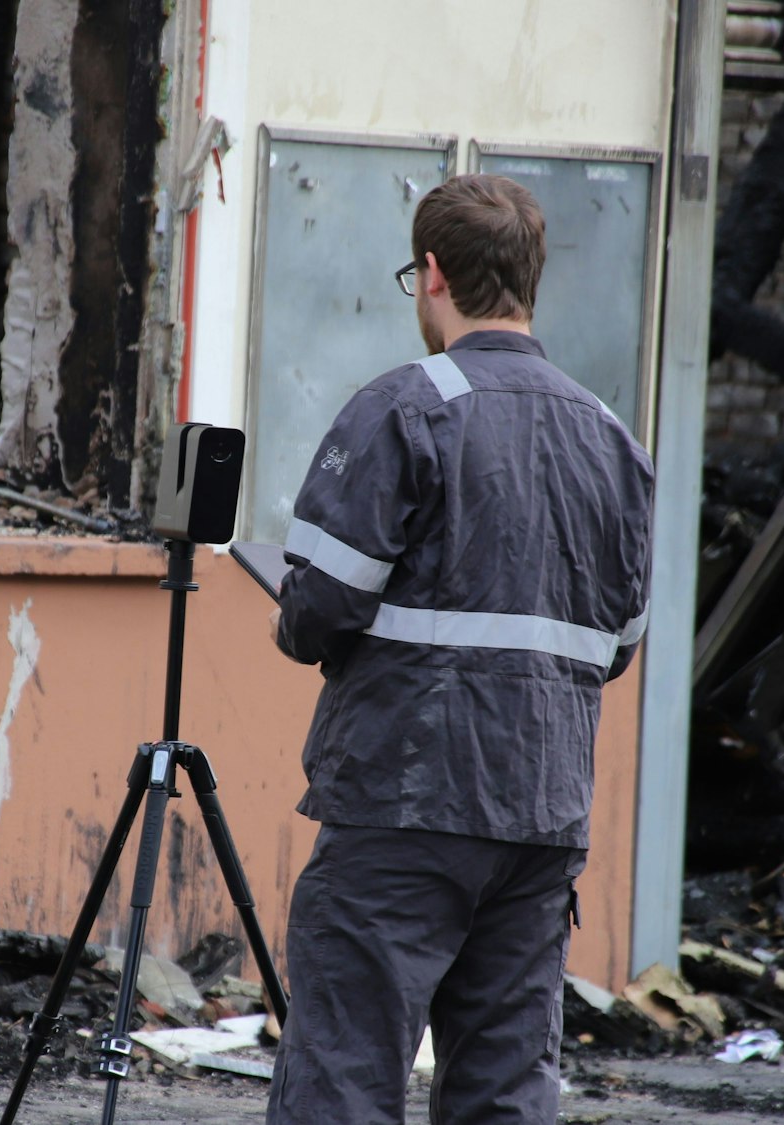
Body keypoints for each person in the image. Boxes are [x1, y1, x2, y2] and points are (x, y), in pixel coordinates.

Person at [264, 173, 654, 1125]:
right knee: (505, 1088)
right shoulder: (612, 439)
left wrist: (292, 615)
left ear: (432, 274)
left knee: (345, 1076)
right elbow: (618, 646)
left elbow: (317, 610)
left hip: (404, 805)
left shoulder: (405, 408)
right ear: (529, 277)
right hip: (540, 817)